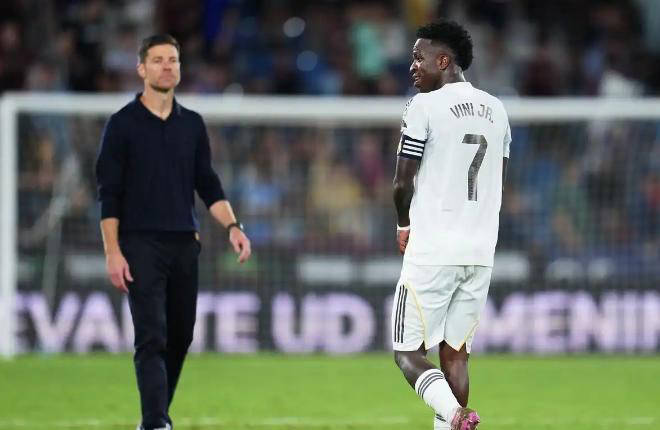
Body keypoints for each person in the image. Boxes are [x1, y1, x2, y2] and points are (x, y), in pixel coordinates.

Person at [95, 34, 251, 430]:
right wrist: (112, 251)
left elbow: (207, 184)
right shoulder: (122, 125)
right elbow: (109, 195)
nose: (167, 66)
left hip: (184, 243)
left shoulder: (192, 125)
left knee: (180, 337)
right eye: (158, 60)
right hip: (139, 244)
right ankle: (155, 423)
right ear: (141, 69)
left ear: (180, 69)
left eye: (173, 60)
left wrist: (233, 226)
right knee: (151, 335)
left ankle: (155, 414)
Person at [391, 21, 510, 430]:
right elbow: (498, 182)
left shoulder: (423, 106)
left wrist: (403, 224)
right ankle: (457, 420)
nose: (412, 66)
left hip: (433, 248)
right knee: (456, 353)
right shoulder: (498, 110)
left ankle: (456, 414)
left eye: (418, 57)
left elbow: (401, 182)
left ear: (443, 61)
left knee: (407, 352)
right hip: (480, 252)